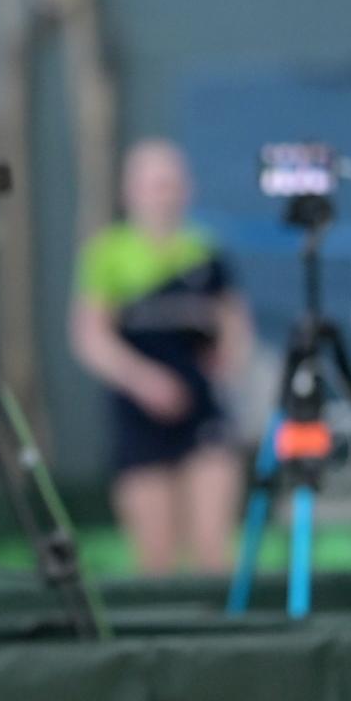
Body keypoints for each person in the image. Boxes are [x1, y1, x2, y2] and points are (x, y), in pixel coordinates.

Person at [70, 139, 255, 575]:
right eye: (154, 185)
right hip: (141, 419)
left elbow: (234, 322)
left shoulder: (205, 250)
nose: (164, 195)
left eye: (172, 184)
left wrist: (228, 361)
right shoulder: (108, 254)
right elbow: (90, 337)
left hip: (203, 413)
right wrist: (144, 381)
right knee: (156, 558)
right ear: (129, 191)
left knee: (214, 550)